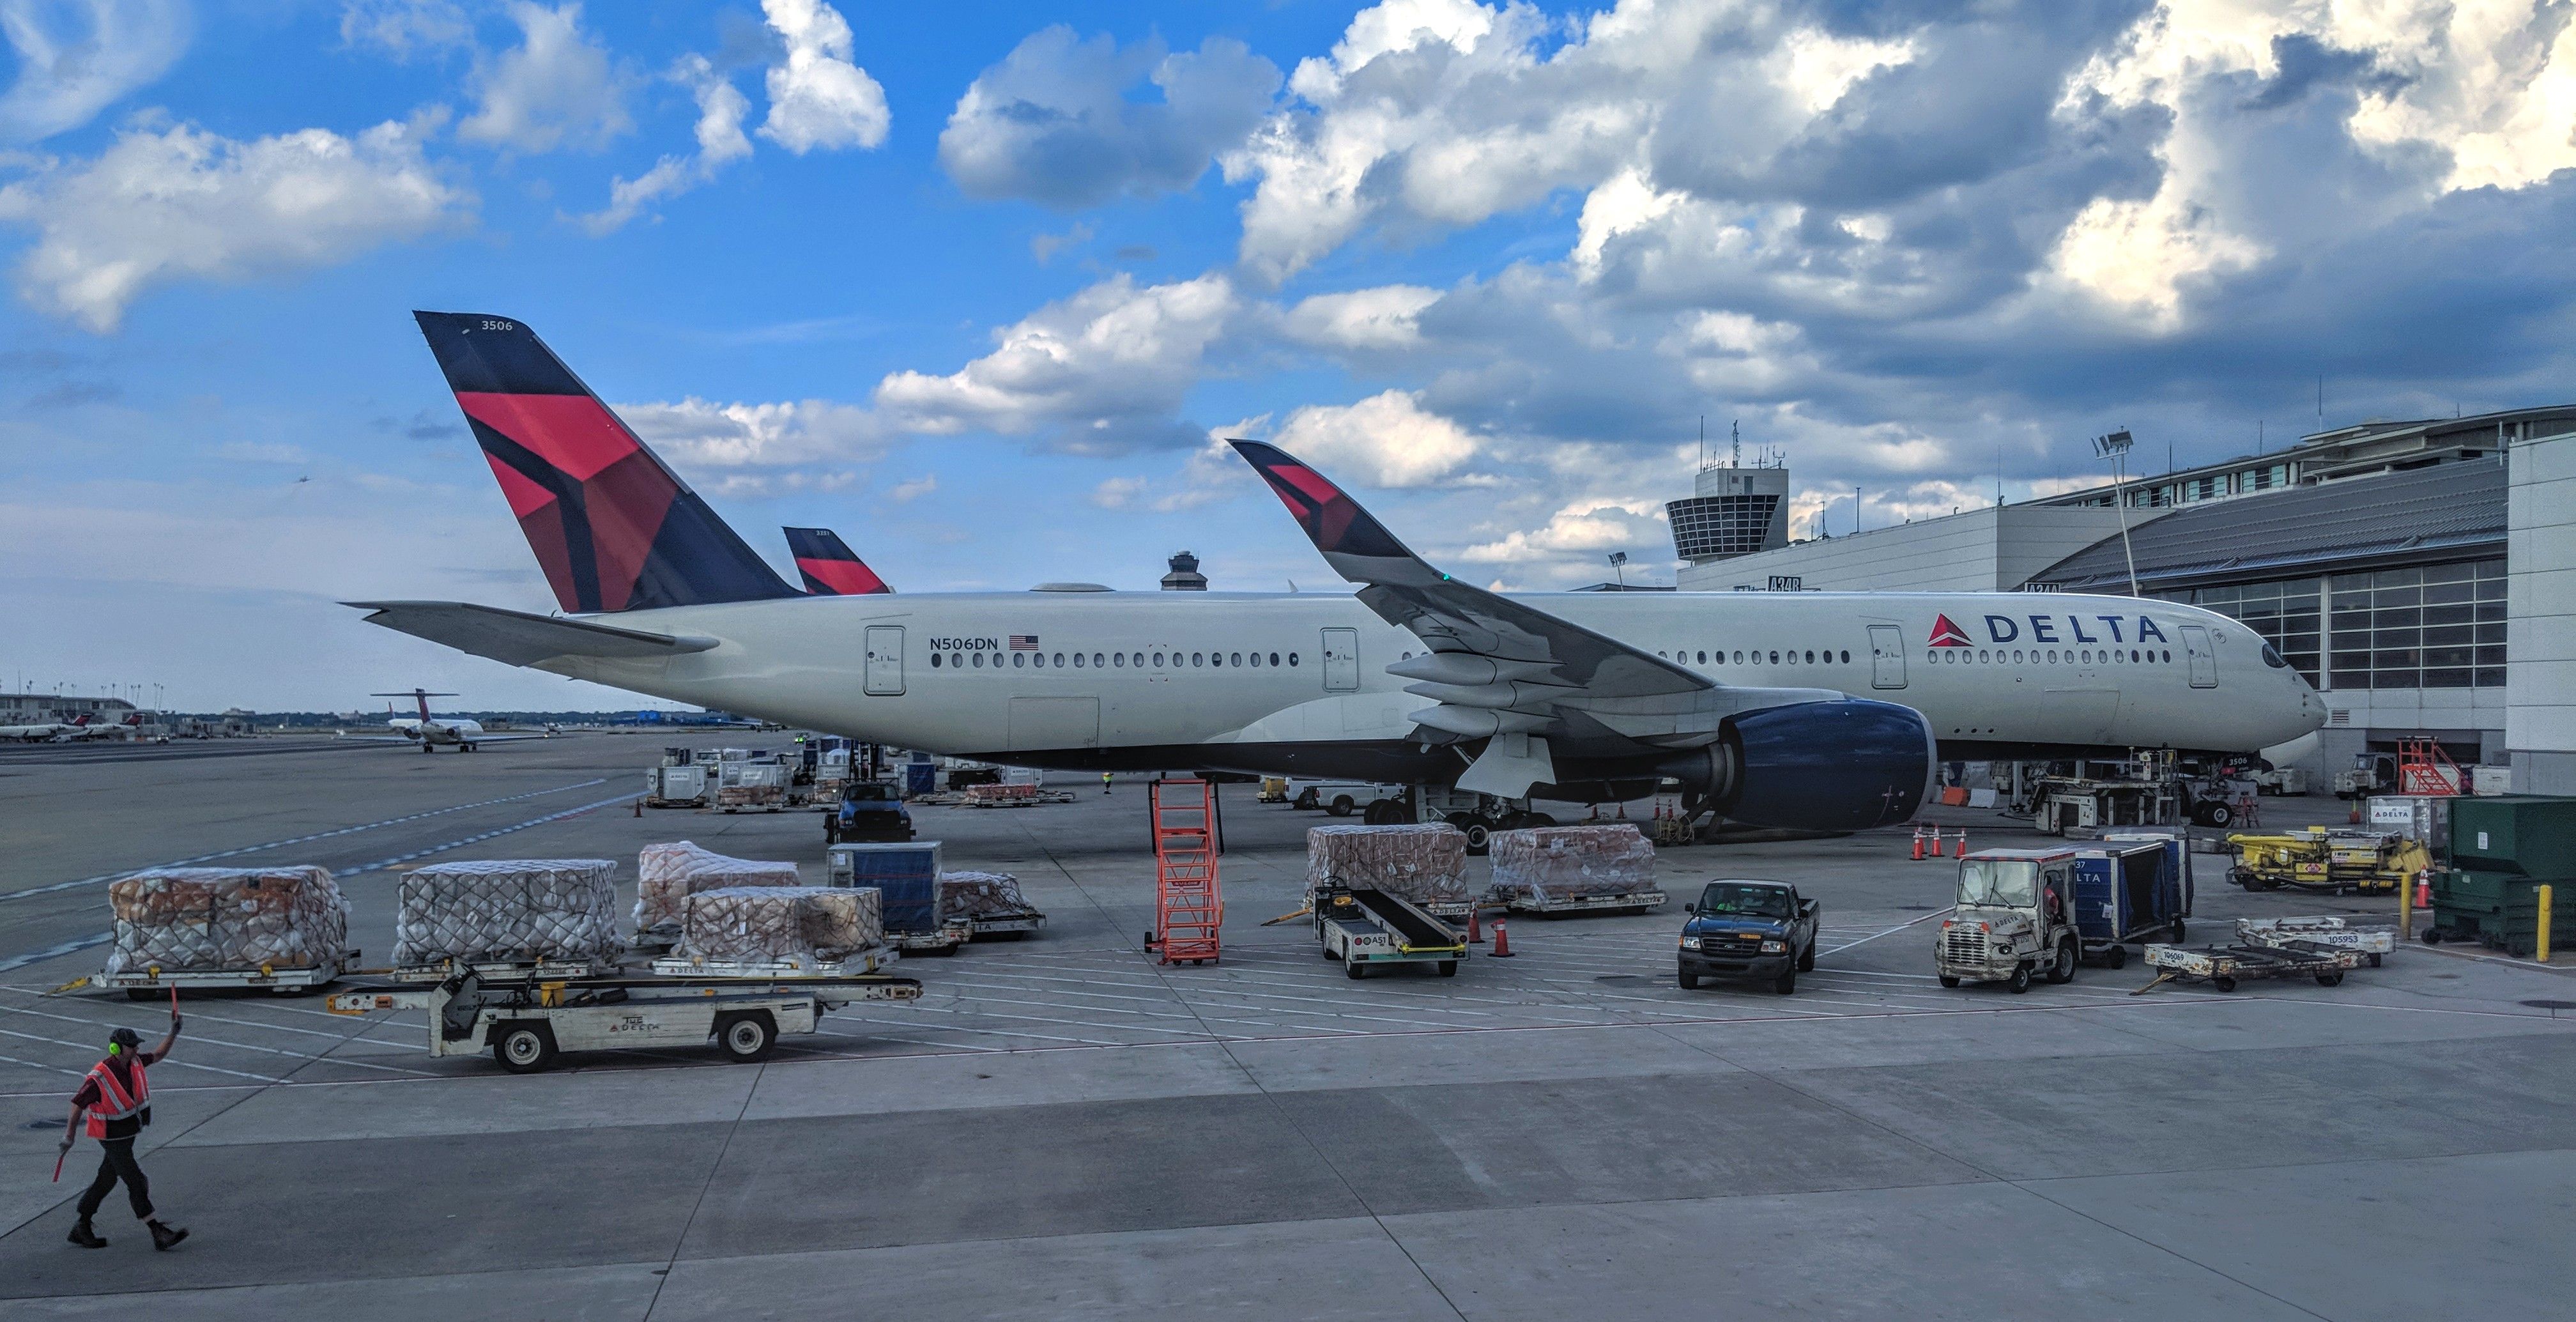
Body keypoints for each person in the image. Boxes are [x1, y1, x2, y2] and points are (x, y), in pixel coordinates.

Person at [59, 1010, 188, 1251]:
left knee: (106, 1179)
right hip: (110, 1137)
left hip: (126, 1135)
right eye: (131, 1046)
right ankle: (157, 1231)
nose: (136, 1050)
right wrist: (69, 1136)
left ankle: (82, 1226)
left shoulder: (135, 1063)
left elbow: (159, 1054)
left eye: (136, 1045)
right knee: (136, 1181)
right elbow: (77, 1104)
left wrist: (173, 1032)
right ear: (117, 1049)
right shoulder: (100, 1076)